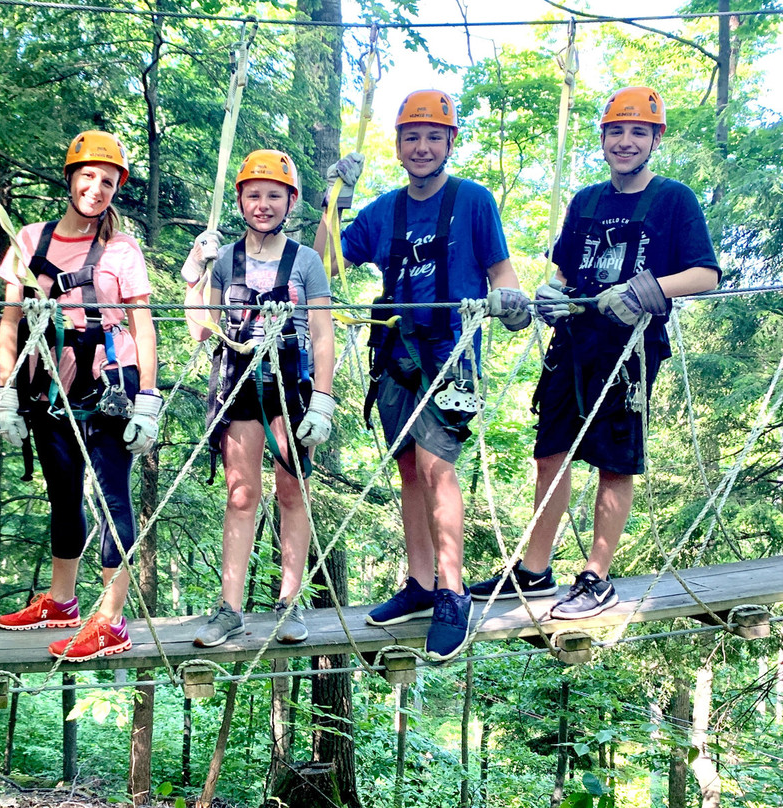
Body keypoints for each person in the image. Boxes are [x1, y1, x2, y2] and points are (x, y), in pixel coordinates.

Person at [469, 86, 721, 618]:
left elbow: (705, 273)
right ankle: (535, 570)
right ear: (603, 138)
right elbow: (564, 271)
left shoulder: (674, 200)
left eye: (637, 132)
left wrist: (647, 291)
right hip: (573, 344)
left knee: (613, 460)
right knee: (550, 453)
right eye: (616, 132)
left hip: (629, 349)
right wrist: (551, 294)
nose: (625, 142)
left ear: (655, 139)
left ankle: (596, 575)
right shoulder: (586, 201)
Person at [316, 90, 531, 661]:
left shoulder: (473, 201)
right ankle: (419, 583)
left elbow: (500, 270)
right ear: (398, 145)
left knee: (438, 469)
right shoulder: (383, 210)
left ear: (450, 142)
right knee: (409, 467)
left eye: (434, 136)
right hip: (395, 353)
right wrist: (333, 202)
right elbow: (328, 264)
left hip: (451, 353)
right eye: (412, 136)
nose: (422, 146)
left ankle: (452, 592)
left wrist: (511, 303)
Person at [0, 131, 160, 662]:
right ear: (70, 179)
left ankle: (111, 620)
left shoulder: (121, 248)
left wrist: (150, 397)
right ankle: (63, 601)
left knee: (112, 496)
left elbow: (144, 324)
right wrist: (5, 391)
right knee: (62, 493)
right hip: (47, 383)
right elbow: (10, 320)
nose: (97, 187)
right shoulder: (29, 240)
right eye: (88, 176)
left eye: (108, 181)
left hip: (111, 382)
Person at [184, 149, 335, 648]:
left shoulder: (306, 261)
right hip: (239, 380)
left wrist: (324, 400)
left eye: (274, 195)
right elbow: (200, 330)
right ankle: (228, 608)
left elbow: (321, 331)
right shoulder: (225, 259)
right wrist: (194, 276)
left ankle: (290, 603)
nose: (263, 204)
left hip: (291, 383)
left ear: (290, 201)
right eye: (254, 195)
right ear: (241, 201)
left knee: (293, 492)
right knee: (241, 494)